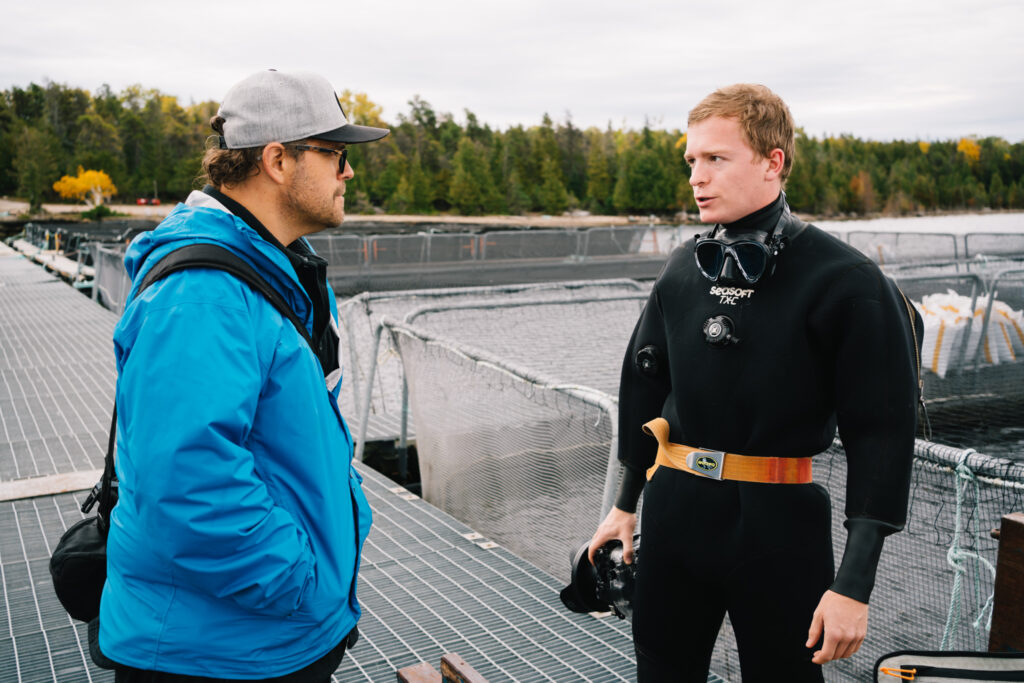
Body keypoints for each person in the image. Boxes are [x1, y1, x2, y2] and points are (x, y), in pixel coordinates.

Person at [587, 84, 923, 682]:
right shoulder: (682, 268)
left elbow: (882, 437)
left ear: (774, 162)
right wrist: (623, 504)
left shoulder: (847, 280)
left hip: (778, 525)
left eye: (716, 158)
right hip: (675, 513)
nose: (697, 176)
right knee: (661, 672)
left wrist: (854, 585)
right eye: (692, 160)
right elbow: (642, 385)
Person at [99, 70, 389, 681]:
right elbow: (186, 479)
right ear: (278, 160)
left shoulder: (279, 270)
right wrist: (296, 579)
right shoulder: (203, 297)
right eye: (334, 154)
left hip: (264, 633)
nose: (349, 172)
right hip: (218, 650)